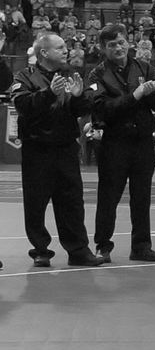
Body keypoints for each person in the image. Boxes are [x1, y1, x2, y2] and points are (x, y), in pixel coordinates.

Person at [11, 32, 105, 268]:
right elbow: (22, 105)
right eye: (61, 47)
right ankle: (40, 250)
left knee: (72, 201)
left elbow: (83, 109)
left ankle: (78, 250)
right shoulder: (24, 76)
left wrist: (77, 98)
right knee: (36, 202)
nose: (67, 51)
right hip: (37, 149)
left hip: (65, 148)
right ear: (44, 52)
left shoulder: (70, 75)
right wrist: (48, 93)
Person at [87, 23, 155, 264]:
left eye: (121, 42)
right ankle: (103, 245)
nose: (118, 48)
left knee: (142, 196)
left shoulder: (145, 67)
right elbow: (103, 110)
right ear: (103, 48)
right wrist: (136, 96)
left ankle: (141, 246)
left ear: (128, 43)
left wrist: (151, 93)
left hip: (143, 142)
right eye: (112, 45)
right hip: (115, 143)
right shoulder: (96, 75)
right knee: (108, 196)